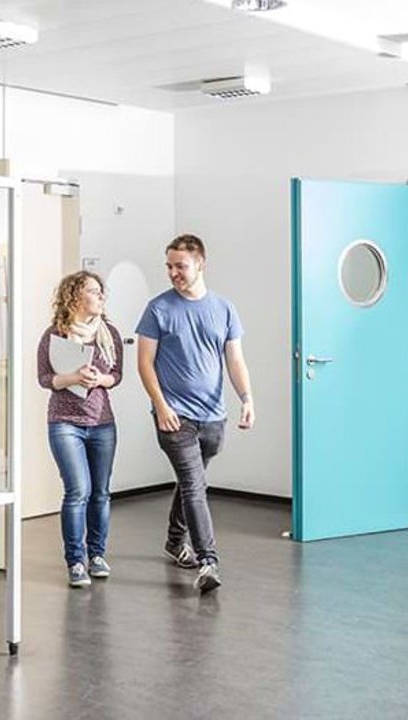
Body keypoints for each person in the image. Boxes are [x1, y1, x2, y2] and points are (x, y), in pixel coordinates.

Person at [136, 234, 254, 594]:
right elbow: (144, 363)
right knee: (193, 484)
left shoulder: (224, 308)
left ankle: (175, 540)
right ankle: (208, 561)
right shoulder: (158, 309)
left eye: (180, 266)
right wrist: (161, 406)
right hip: (175, 417)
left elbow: (234, 359)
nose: (174, 273)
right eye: (169, 266)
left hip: (213, 417)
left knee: (193, 482)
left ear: (200, 264)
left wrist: (247, 398)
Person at [37, 271, 125, 588]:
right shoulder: (54, 334)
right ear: (75, 296)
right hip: (64, 423)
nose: (101, 297)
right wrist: (73, 378)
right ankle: (76, 561)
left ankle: (97, 555)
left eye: (102, 292)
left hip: (102, 424)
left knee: (101, 493)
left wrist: (99, 380)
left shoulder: (110, 333)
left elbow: (116, 375)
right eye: (93, 291)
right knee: (78, 492)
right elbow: (45, 379)